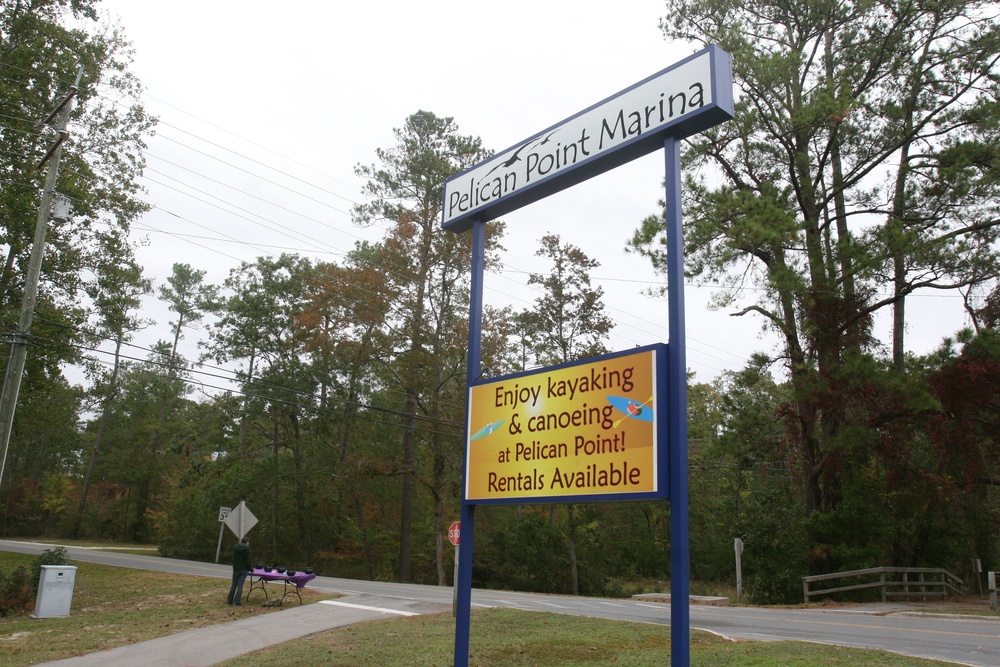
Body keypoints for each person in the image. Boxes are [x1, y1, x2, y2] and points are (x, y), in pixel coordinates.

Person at [227, 536, 253, 605]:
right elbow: (248, 561)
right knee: (240, 586)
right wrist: (250, 569)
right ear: (247, 542)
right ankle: (237, 602)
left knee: (234, 585)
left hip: (236, 569)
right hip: (244, 569)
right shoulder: (248, 550)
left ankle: (229, 601)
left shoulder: (236, 548)